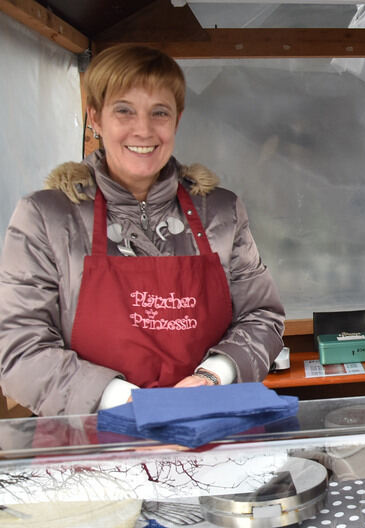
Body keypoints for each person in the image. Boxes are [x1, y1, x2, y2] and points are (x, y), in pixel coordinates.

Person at [0, 44, 285, 415]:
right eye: (124, 110)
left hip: (207, 431)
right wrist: (131, 403)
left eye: (159, 113)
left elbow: (261, 316)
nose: (143, 129)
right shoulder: (47, 216)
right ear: (96, 118)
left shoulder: (220, 211)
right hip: (92, 448)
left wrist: (212, 377)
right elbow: (19, 348)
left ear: (177, 121)